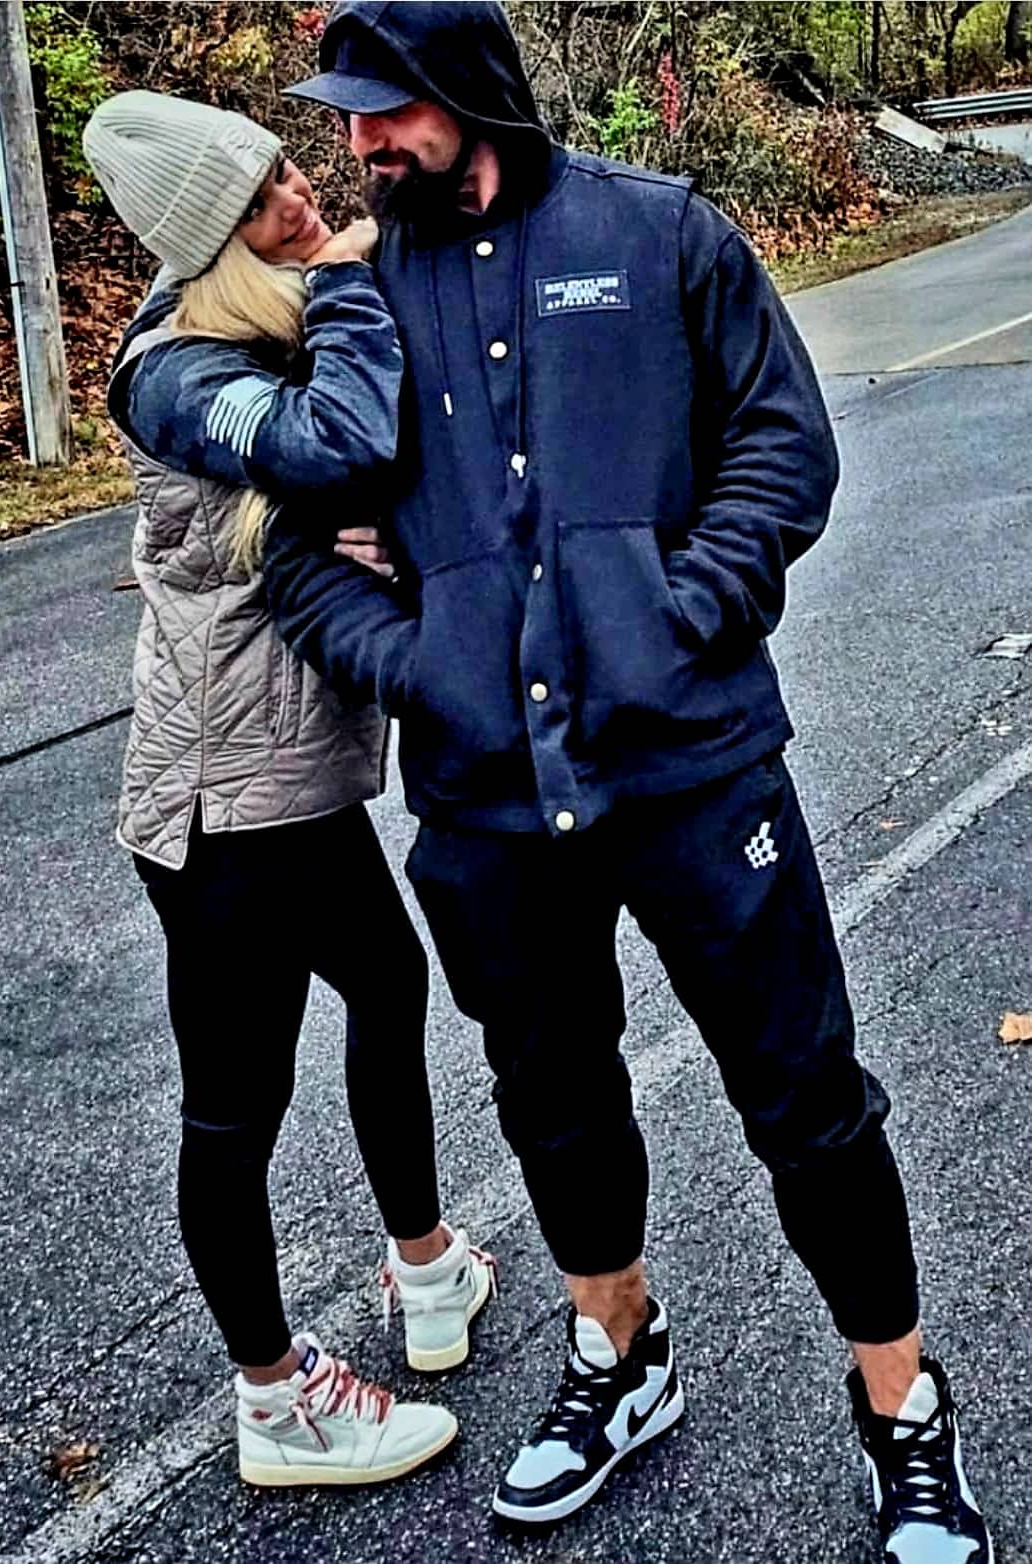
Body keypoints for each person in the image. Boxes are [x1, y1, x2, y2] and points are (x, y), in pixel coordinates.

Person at [262, 3, 994, 1556]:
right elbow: (298, 556)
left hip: (694, 768)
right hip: (484, 802)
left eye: (384, 109)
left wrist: (681, 609)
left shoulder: (658, 235)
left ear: (466, 91)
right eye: (347, 113)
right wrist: (422, 665)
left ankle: (901, 1406)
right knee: (554, 1099)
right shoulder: (355, 299)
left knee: (807, 1099)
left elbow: (781, 446)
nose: (358, 142)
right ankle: (619, 1352)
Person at [81, 88, 495, 1491]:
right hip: (219, 803)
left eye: (284, 171)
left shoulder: (256, 324)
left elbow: (322, 480)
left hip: (291, 779)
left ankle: (425, 1270)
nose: (297, 198)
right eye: (258, 199)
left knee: (387, 987)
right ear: (209, 241)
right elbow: (338, 446)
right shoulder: (173, 371)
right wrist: (346, 282)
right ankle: (275, 1403)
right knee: (233, 1105)